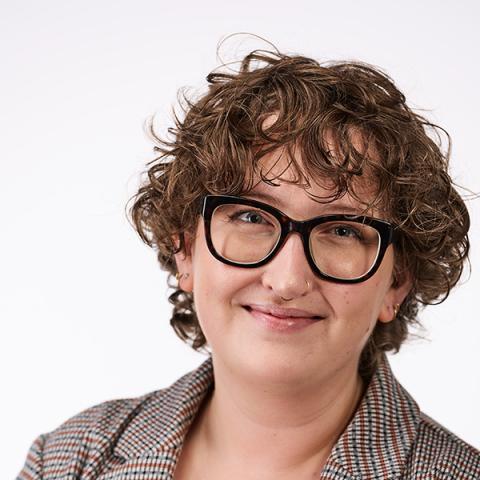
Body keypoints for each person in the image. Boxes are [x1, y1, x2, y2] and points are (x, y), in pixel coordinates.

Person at [18, 48, 479, 480]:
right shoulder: (69, 460)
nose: (287, 280)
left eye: (343, 230)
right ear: (184, 248)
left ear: (396, 284)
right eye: (251, 216)